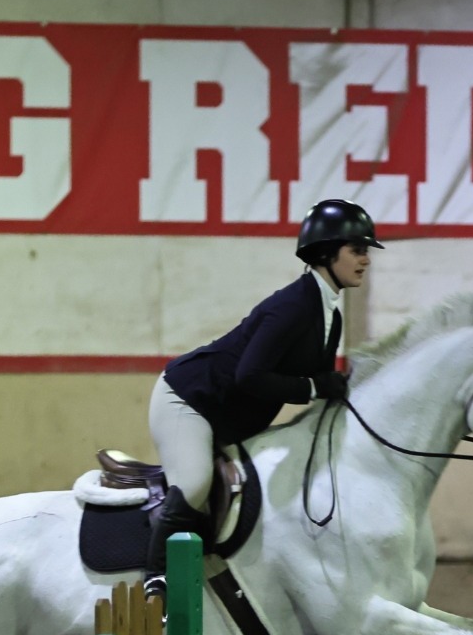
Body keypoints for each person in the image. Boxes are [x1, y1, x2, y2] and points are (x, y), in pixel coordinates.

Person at [142, 199, 383, 597]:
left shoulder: (331, 315)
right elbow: (250, 375)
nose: (365, 259)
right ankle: (156, 576)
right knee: (196, 481)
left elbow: (321, 381)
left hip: (230, 415)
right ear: (326, 252)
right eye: (357, 250)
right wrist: (314, 388)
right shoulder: (291, 306)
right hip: (188, 400)